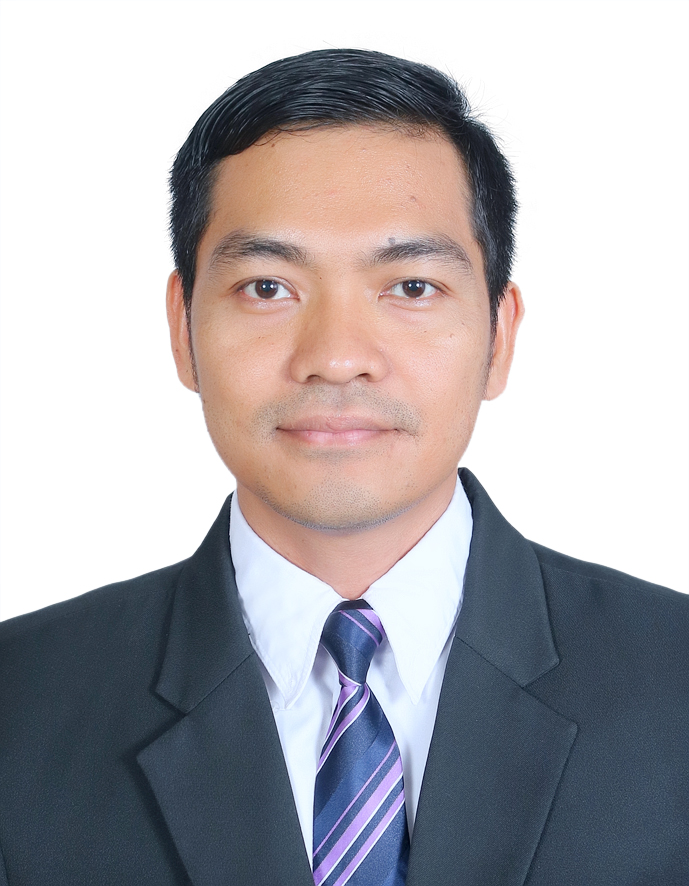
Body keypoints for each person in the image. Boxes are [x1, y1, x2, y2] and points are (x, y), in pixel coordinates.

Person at [0, 48, 687, 886]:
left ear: (499, 336)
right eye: (266, 287)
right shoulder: (19, 700)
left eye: (411, 287)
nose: (335, 357)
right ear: (181, 329)